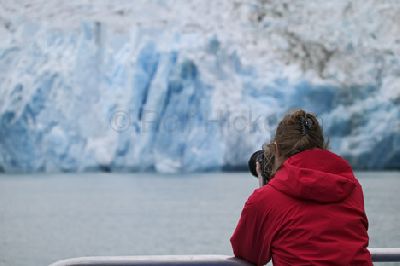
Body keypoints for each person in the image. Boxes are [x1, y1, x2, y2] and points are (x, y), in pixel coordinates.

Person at [230, 109, 372, 265]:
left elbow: (249, 254)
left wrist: (264, 190)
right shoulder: (352, 188)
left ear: (276, 149)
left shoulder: (266, 199)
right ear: (322, 146)